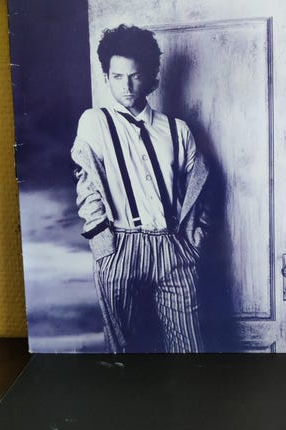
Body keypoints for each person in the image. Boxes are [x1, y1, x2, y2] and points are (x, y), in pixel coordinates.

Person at [71, 24, 210, 353]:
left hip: (172, 246)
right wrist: (103, 246)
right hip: (120, 246)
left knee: (190, 352)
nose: (126, 86)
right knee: (126, 355)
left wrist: (195, 239)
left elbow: (199, 189)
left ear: (150, 78)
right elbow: (87, 186)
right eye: (117, 76)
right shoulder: (94, 122)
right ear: (106, 78)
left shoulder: (177, 130)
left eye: (134, 76)